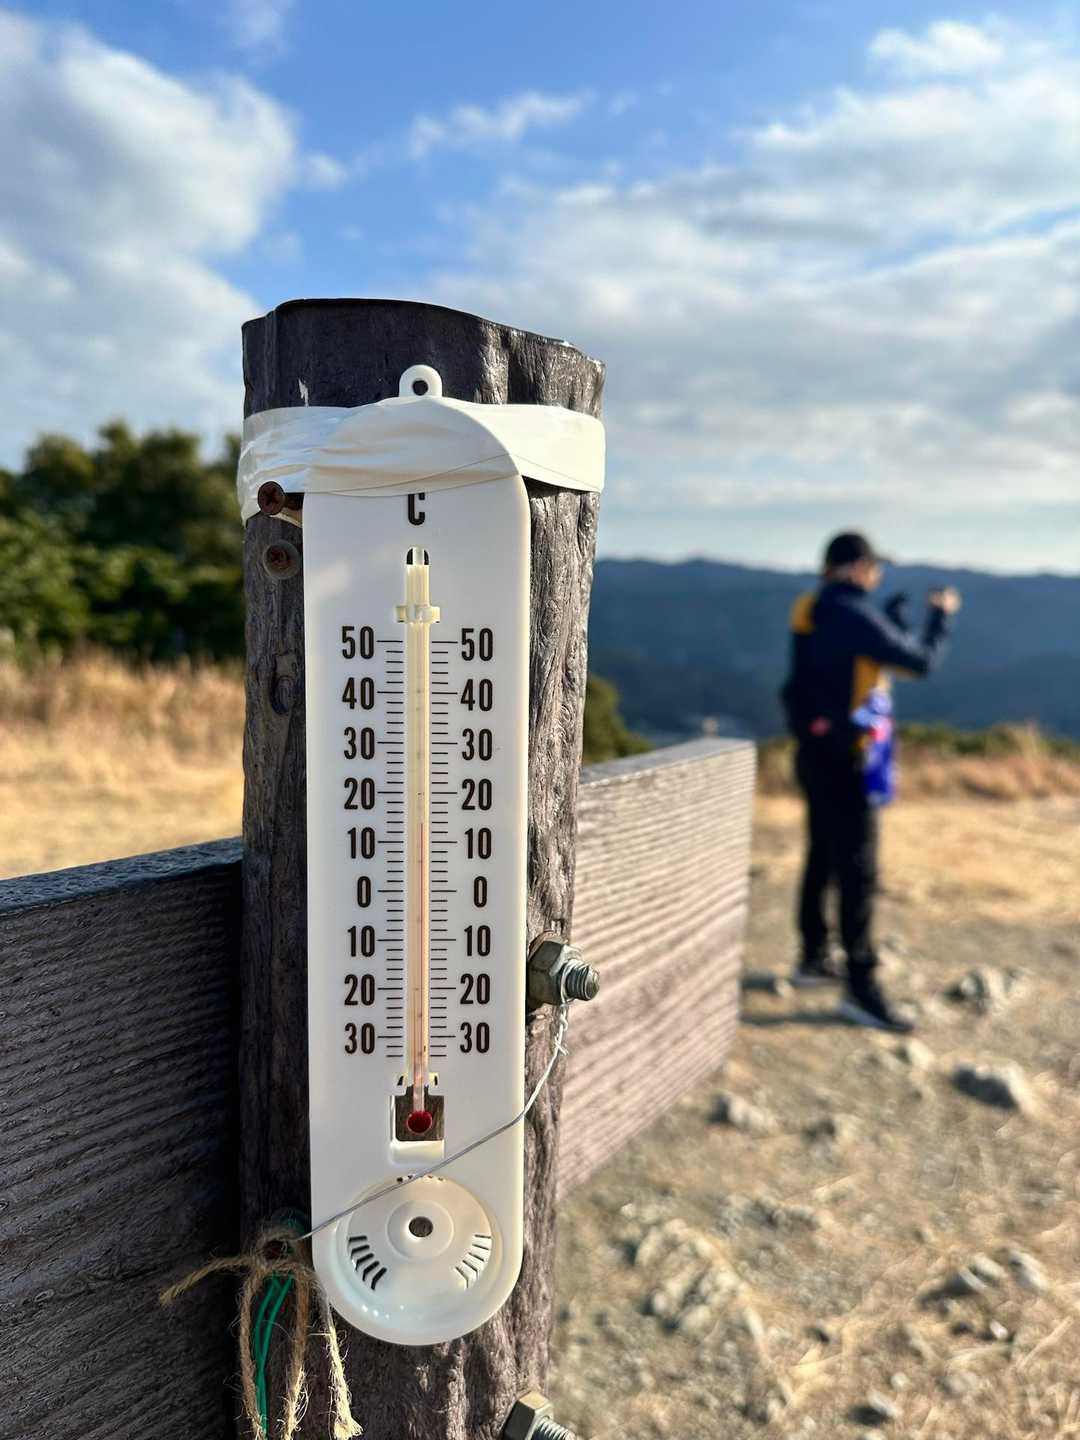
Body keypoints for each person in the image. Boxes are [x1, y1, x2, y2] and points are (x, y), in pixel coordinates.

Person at [780, 532, 962, 1032]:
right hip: (851, 761)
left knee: (822, 854)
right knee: (859, 870)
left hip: (814, 753)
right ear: (856, 567)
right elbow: (919, 662)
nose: (878, 575)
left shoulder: (813, 609)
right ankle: (861, 988)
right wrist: (940, 616)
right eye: (874, 567)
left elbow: (846, 664)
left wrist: (893, 621)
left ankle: (813, 956)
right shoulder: (856, 615)